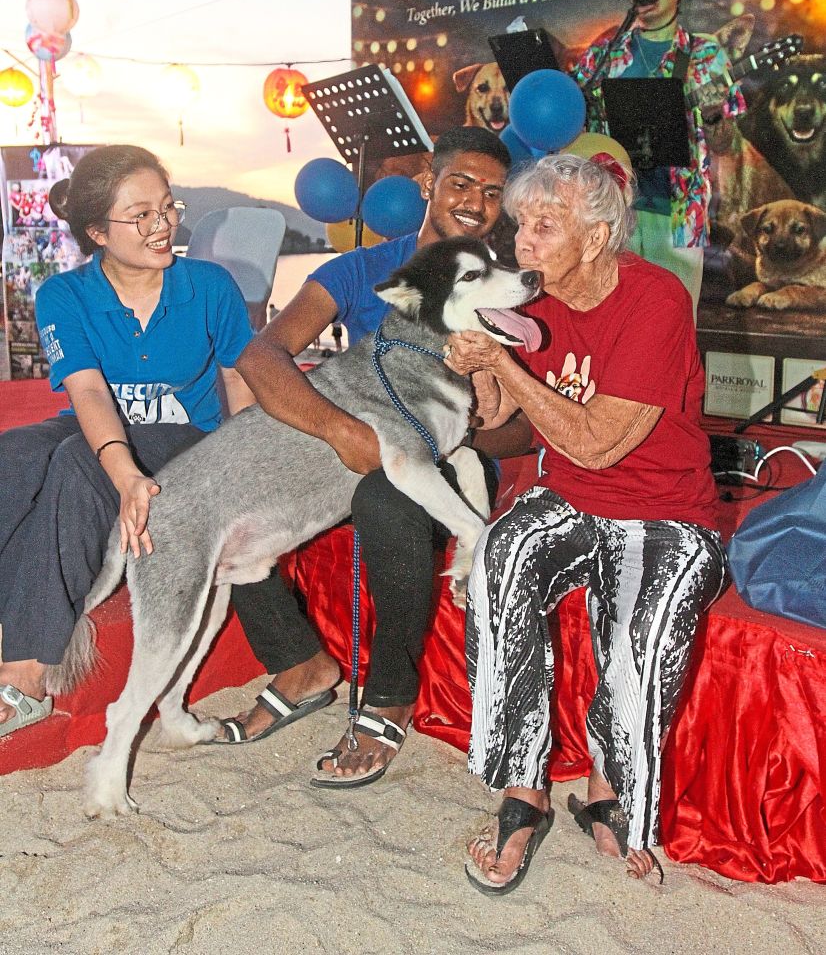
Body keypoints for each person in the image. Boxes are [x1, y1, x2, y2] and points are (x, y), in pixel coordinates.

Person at [443, 153, 727, 891]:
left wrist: (505, 368)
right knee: (499, 558)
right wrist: (476, 355)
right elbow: (496, 414)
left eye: (545, 225)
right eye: (521, 225)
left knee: (644, 642)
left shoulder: (655, 299)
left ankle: (611, 792)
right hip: (568, 495)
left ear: (597, 238)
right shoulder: (530, 297)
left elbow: (598, 443)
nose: (523, 241)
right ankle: (522, 789)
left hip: (665, 509)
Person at [223, 127, 516, 785]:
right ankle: (301, 663)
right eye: (461, 182)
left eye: (492, 192)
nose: (475, 201)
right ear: (427, 186)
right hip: (361, 448)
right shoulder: (362, 270)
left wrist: (451, 437)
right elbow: (262, 355)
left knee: (390, 497)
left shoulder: (502, 284)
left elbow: (523, 427)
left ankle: (388, 693)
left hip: (451, 461)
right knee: (239, 493)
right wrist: (335, 430)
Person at [0, 146, 255, 738]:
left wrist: (243, 475)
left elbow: (242, 381)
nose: (162, 225)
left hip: (191, 442)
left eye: (167, 208)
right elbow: (87, 393)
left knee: (76, 466)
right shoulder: (64, 294)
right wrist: (124, 471)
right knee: (14, 454)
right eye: (139, 215)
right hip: (103, 428)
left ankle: (29, 674)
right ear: (96, 232)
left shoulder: (210, 286)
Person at [572, 0, 744, 298]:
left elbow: (726, 143)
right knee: (615, 323)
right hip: (612, 215)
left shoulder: (704, 54)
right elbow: (572, 118)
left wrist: (712, 116)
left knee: (672, 322)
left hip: (677, 219)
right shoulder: (605, 54)